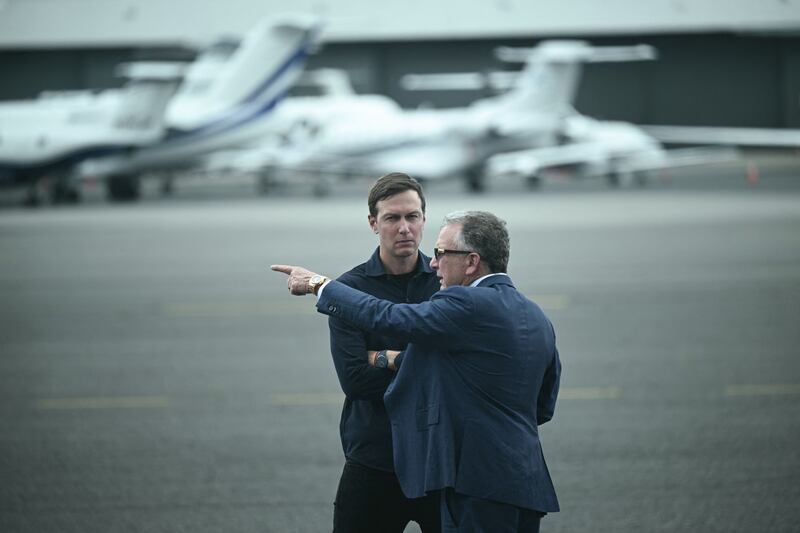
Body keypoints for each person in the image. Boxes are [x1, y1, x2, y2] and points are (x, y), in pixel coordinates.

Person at [272, 210, 561, 533]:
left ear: (471, 261)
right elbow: (543, 406)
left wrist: (319, 285)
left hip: (477, 483)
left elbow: (389, 316)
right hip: (526, 480)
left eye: (441, 253)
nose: (434, 263)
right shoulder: (537, 317)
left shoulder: (466, 303)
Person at [322, 173, 442, 532]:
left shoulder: (447, 282)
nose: (404, 228)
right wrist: (426, 367)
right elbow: (355, 381)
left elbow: (459, 367)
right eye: (392, 218)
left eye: (412, 216)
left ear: (424, 220)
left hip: (439, 458)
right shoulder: (348, 289)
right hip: (375, 457)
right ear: (374, 223)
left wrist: (382, 357)